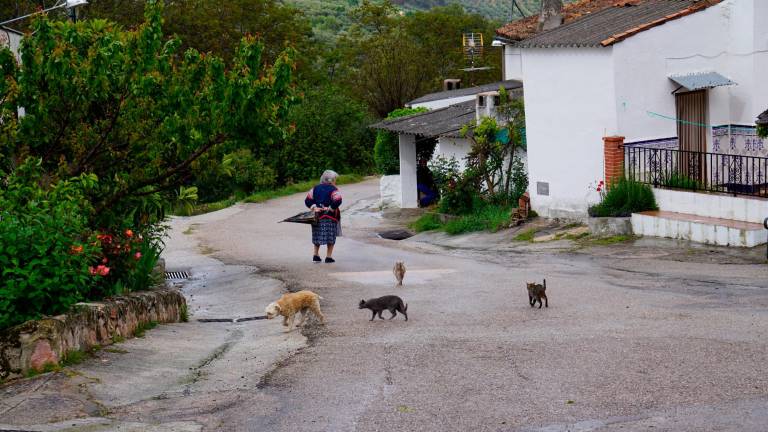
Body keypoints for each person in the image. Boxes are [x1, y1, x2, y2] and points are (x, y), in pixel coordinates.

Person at [305, 170, 342, 263]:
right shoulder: (333, 189)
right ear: (331, 180)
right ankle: (328, 257)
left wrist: (314, 208)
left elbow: (307, 200)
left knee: (317, 235)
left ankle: (316, 255)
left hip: (317, 217)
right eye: (335, 179)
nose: (335, 181)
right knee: (330, 236)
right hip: (329, 218)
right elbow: (338, 200)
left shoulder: (315, 188)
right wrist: (330, 208)